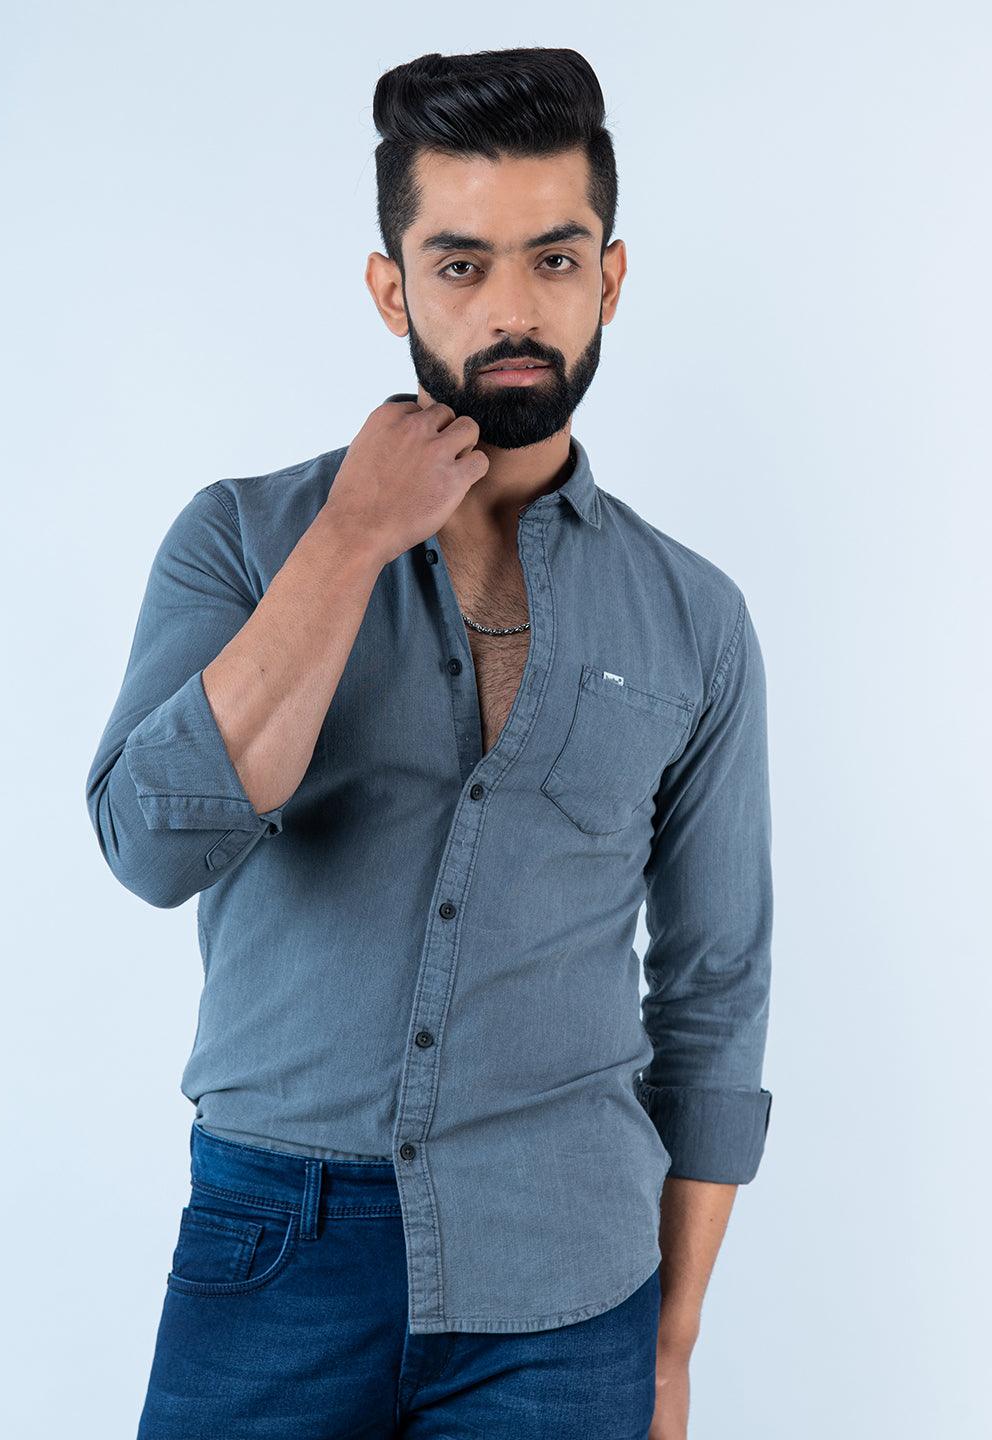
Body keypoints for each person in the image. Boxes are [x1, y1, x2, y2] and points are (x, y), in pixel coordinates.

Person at [85, 45, 774, 1440]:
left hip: (571, 1277)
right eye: (461, 266)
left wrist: (673, 1342)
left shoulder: (695, 618)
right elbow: (152, 847)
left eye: (554, 260)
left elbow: (713, 993)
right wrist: (352, 537)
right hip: (273, 1248)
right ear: (391, 288)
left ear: (610, 279)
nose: (514, 309)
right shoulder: (241, 541)